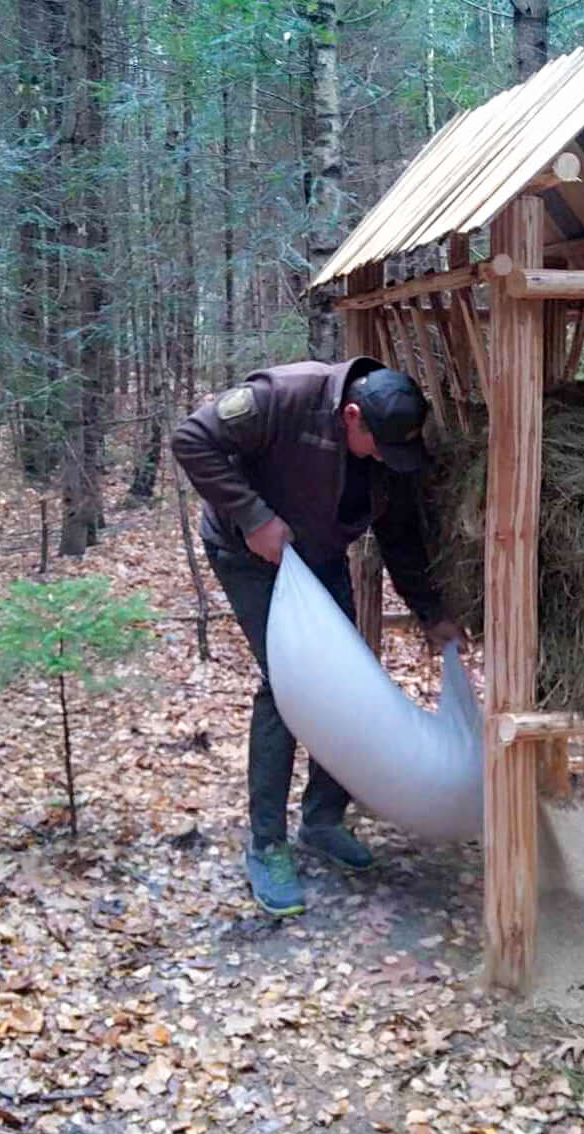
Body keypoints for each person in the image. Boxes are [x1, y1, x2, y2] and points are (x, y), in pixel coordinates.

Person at [172, 359, 460, 917]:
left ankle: (323, 820)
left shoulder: (385, 449)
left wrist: (429, 613)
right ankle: (267, 845)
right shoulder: (284, 397)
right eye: (374, 445)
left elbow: (399, 536)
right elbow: (193, 438)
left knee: (344, 679)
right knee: (289, 688)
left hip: (318, 557)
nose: (380, 459)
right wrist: (253, 517)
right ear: (351, 414)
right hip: (248, 553)